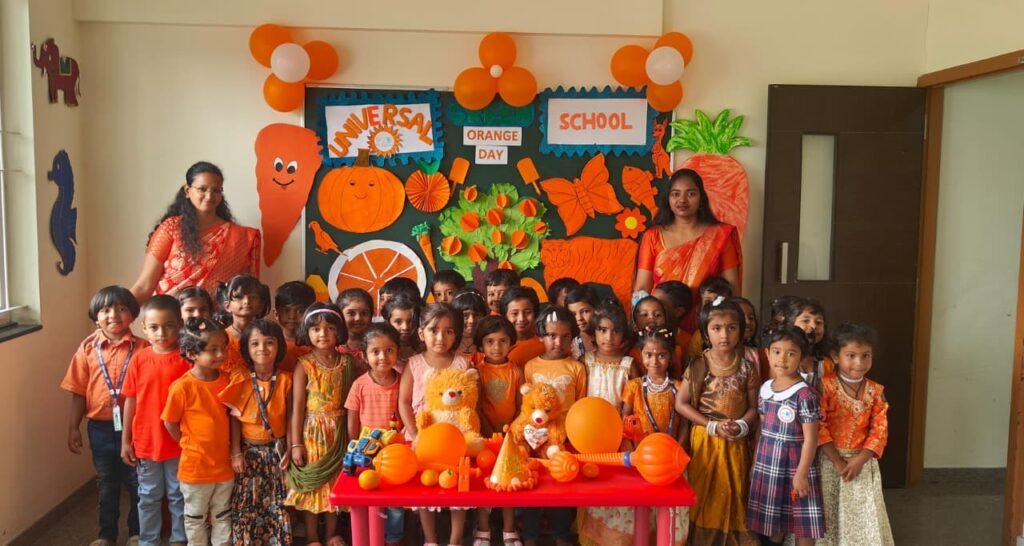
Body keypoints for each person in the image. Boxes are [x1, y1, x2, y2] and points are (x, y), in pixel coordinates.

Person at [581, 326, 687, 546]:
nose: (654, 361)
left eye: (661, 355)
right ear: (641, 355)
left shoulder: (678, 388)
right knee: (636, 505)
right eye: (649, 355)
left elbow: (684, 423)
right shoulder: (634, 386)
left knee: (665, 507)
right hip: (638, 455)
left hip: (668, 459)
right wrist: (630, 445)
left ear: (670, 356)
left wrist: (678, 449)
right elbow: (625, 417)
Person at [62, 286, 145, 546]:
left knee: (137, 483)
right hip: (99, 429)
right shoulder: (87, 349)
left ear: (133, 314)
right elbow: (78, 392)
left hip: (135, 428)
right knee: (106, 483)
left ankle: (137, 532)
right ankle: (106, 534)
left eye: (122, 309)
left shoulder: (144, 348)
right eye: (106, 310)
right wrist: (73, 428)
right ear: (95, 316)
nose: (114, 315)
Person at [675, 297, 759, 545]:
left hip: (735, 441)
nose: (724, 335)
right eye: (717, 328)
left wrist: (741, 425)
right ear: (705, 332)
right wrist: (711, 425)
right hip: (706, 440)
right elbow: (681, 404)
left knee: (734, 490)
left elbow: (754, 408)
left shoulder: (747, 367)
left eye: (731, 328)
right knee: (706, 491)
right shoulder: (699, 365)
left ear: (741, 331)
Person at [131, 162, 260, 303]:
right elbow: (144, 286)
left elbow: (249, 293)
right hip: (168, 314)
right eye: (202, 189)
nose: (209, 196)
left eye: (216, 190)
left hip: (214, 316)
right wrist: (119, 310)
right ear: (187, 190)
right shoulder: (171, 228)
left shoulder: (243, 237)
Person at [632, 168, 742, 331]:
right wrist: (639, 322)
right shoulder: (653, 236)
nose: (682, 200)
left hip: (708, 326)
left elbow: (732, 289)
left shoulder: (720, 235)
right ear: (668, 199)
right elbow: (642, 286)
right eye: (675, 194)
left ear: (701, 198)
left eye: (691, 194)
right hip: (659, 325)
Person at [398, 303, 471, 546]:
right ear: (421, 333)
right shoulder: (414, 363)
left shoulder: (462, 364)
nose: (441, 337)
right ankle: (430, 539)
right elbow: (404, 402)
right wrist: (415, 433)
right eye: (433, 330)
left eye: (448, 331)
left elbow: (470, 403)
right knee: (425, 486)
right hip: (423, 436)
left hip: (455, 436)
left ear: (456, 335)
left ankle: (455, 540)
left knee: (458, 485)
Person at [121, 295, 190, 546]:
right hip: (147, 441)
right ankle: (148, 541)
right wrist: (125, 440)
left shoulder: (187, 359)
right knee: (148, 495)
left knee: (178, 494)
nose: (161, 333)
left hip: (178, 441)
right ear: (144, 328)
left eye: (169, 325)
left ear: (180, 324)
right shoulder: (139, 359)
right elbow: (130, 401)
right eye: (154, 327)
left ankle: (179, 539)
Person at [747, 325, 825, 545]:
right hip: (768, 463)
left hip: (796, 465)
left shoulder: (805, 395)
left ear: (801, 357)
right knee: (773, 524)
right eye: (777, 352)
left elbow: (811, 438)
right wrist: (754, 463)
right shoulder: (765, 389)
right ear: (767, 354)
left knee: (803, 524)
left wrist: (801, 474)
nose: (782, 359)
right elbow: (762, 429)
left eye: (791, 353)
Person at [817, 323, 894, 546]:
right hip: (829, 462)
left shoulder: (876, 391)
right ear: (836, 356)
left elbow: (880, 429)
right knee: (828, 510)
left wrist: (861, 459)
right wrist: (837, 461)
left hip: (862, 462)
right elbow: (818, 426)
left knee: (862, 512)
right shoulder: (825, 387)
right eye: (851, 356)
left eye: (865, 356)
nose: (859, 363)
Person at [285, 303, 356, 546]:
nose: (322, 334)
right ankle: (313, 538)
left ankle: (331, 535)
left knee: (334, 485)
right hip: (312, 434)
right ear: (307, 332)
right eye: (316, 329)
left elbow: (353, 403)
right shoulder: (304, 364)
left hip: (339, 432)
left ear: (339, 331)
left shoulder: (348, 363)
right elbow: (297, 408)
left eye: (329, 328)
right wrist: (296, 444)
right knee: (313, 487)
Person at [220, 319, 293, 545]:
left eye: (269, 342)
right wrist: (236, 453)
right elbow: (234, 419)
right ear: (246, 349)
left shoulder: (286, 380)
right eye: (255, 343)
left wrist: (290, 449)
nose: (262, 348)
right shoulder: (240, 378)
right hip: (248, 452)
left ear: (279, 346)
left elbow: (292, 418)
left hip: (276, 453)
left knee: (277, 501)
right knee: (247, 502)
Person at [162, 317, 234, 546]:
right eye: (213, 350)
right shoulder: (182, 387)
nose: (221, 354)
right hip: (195, 468)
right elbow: (169, 422)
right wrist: (188, 443)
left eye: (223, 348)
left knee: (223, 513)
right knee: (195, 518)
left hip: (224, 465)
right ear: (192, 353)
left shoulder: (227, 381)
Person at [521, 306, 587, 546]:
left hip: (564, 438)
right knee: (532, 482)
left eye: (564, 336)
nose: (558, 342)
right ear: (541, 335)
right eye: (551, 335)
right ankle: (530, 534)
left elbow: (580, 403)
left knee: (561, 484)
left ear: (572, 338)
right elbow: (526, 405)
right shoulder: (530, 366)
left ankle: (560, 533)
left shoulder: (577, 368)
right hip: (534, 438)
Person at [345, 324, 406, 546]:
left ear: (398, 352)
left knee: (395, 501)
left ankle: (394, 538)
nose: (383, 357)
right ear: (364, 356)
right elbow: (352, 421)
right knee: (370, 496)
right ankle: (371, 538)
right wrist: (354, 447)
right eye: (375, 351)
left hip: (396, 452)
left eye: (389, 350)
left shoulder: (403, 381)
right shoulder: (359, 385)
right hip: (367, 451)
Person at [470, 316, 522, 546]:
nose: (496, 347)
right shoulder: (477, 372)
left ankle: (510, 529)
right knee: (485, 483)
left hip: (510, 437)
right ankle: (483, 529)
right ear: (481, 344)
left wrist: (512, 430)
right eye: (490, 341)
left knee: (509, 480)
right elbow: (477, 407)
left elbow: (521, 406)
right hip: (485, 437)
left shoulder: (516, 371)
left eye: (503, 341)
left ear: (511, 343)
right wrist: (490, 432)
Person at [582, 300, 634, 408]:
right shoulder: (586, 361)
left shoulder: (628, 365)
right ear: (593, 332)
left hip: (617, 417)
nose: (609, 338)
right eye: (603, 330)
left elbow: (634, 398)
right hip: (588, 416)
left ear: (623, 334)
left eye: (616, 331)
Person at [219, 275, 271, 378]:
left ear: (261, 305)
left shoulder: (269, 337)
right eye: (239, 297)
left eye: (253, 297)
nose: (246, 301)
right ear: (227, 306)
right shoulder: (219, 337)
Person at [274, 280, 316, 373]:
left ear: (310, 313)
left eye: (300, 311)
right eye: (286, 310)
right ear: (276, 313)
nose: (292, 316)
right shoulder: (270, 344)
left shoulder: (317, 344)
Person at [503, 287, 545, 369]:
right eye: (515, 313)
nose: (521, 319)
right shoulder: (499, 346)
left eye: (527, 312)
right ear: (505, 316)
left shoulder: (546, 343)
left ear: (535, 313)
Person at [336, 288, 374, 376]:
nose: (358, 318)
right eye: (351, 313)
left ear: (371, 315)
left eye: (364, 313)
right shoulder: (332, 345)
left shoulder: (378, 343)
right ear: (340, 315)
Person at [382, 294, 421, 371]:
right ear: (388, 322)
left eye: (410, 321)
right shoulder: (382, 349)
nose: (405, 327)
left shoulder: (423, 349)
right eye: (398, 322)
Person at [451, 288, 489, 359]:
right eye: (465, 315)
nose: (471, 321)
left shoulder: (491, 344)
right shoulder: (447, 344)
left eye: (477, 315)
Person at [565, 284, 599, 358]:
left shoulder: (608, 336)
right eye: (573, 314)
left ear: (596, 309)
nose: (579, 318)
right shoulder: (569, 343)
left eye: (585, 311)